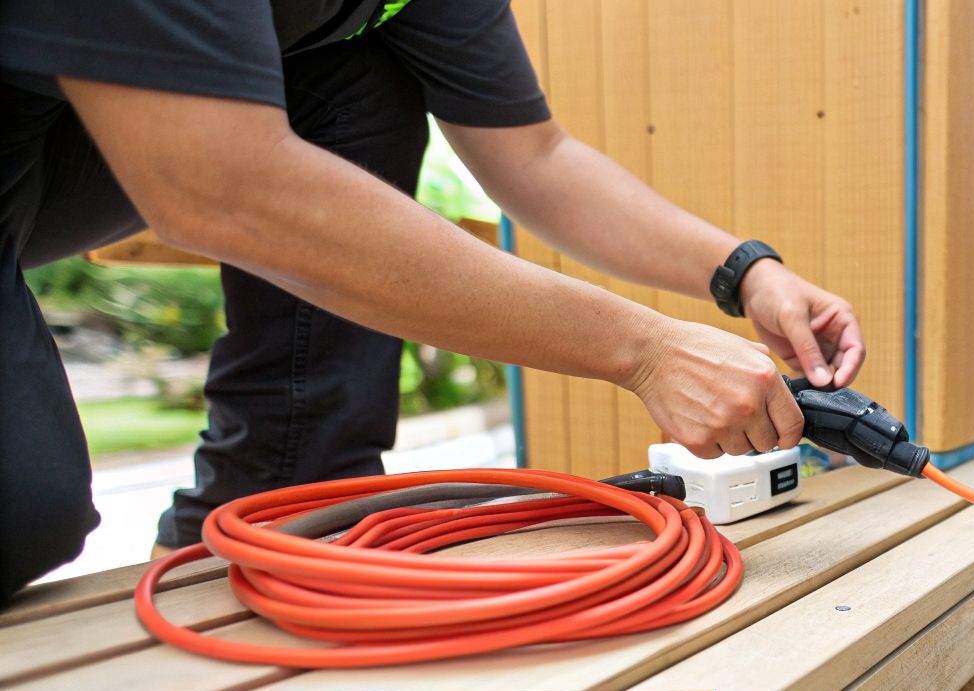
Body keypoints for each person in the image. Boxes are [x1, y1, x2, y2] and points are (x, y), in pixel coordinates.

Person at [0, 0, 865, 601]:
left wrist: (746, 271)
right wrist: (645, 350)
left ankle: (270, 509)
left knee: (356, 70)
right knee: (24, 513)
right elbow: (218, 183)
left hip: (41, 147)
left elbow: (535, 159)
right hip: (128, 143)